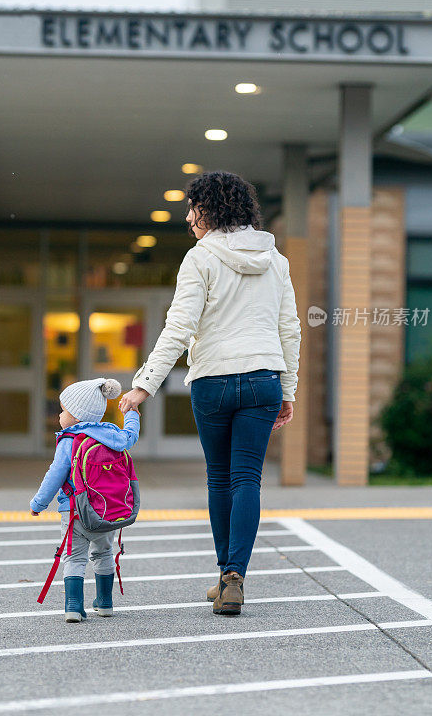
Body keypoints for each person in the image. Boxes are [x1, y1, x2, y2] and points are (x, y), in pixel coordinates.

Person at [119, 170, 301, 616]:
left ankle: (226, 575)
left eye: (191, 209)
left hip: (214, 382)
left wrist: (145, 384)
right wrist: (289, 389)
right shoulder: (275, 260)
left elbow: (179, 328)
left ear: (209, 210)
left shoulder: (199, 258)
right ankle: (233, 576)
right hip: (263, 379)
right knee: (247, 479)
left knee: (221, 479)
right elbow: (289, 329)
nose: (187, 219)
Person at [30, 377, 140, 622]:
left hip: (75, 511)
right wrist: (132, 413)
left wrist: (38, 503)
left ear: (77, 416)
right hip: (107, 511)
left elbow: (56, 474)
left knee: (74, 557)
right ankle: (105, 603)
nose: (60, 415)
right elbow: (131, 435)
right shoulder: (112, 436)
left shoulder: (70, 440)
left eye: (63, 411)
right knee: (103, 553)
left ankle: (73, 606)